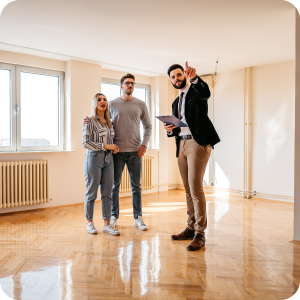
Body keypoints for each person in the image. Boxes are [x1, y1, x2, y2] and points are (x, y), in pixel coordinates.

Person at [83, 74, 152, 232]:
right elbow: (100, 121)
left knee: (136, 186)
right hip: (116, 153)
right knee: (113, 187)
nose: (130, 86)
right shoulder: (112, 104)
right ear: (121, 86)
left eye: (132, 84)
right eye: (127, 83)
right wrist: (86, 121)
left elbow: (148, 126)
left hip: (136, 152)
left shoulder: (141, 104)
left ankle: (138, 218)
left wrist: (144, 145)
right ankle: (112, 218)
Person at [164, 62, 220, 251]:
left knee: (196, 189)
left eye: (179, 75)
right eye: (173, 77)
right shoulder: (175, 102)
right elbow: (176, 127)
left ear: (185, 75)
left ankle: (200, 234)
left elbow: (206, 93)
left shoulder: (196, 91)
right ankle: (190, 227)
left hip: (198, 143)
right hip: (182, 144)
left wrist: (196, 79)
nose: (176, 79)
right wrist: (169, 129)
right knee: (187, 189)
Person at [82, 93, 120, 236]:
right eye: (99, 100)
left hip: (109, 160)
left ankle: (107, 225)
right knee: (91, 193)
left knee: (107, 193)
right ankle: (90, 223)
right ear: (95, 103)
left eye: (104, 99)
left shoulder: (110, 123)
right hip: (93, 159)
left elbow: (112, 142)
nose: (102, 101)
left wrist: (113, 148)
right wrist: (107, 146)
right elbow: (86, 143)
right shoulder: (89, 121)